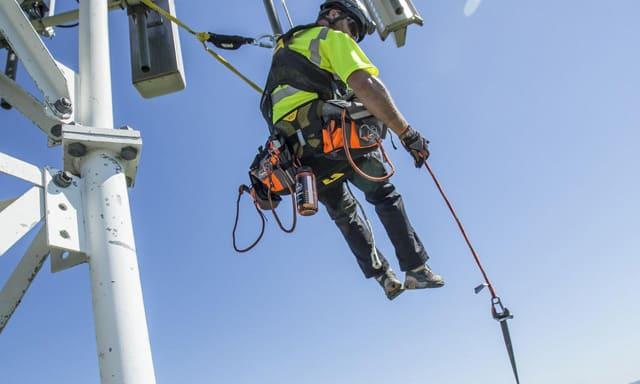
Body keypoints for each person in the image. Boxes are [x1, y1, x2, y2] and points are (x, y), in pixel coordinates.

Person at [259, 0, 444, 300]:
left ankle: (383, 276)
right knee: (383, 194)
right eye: (353, 28)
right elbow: (365, 84)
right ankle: (416, 269)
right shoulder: (330, 39)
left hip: (299, 161)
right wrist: (408, 135)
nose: (353, 38)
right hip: (333, 140)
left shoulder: (286, 50)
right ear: (335, 16)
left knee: (344, 215)